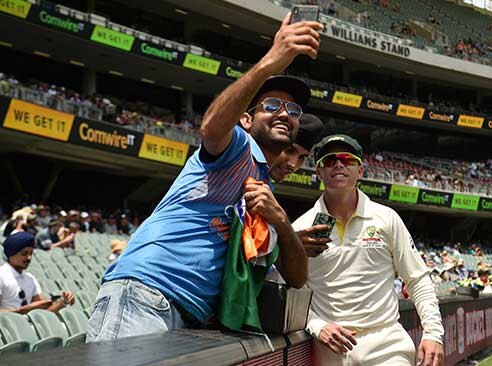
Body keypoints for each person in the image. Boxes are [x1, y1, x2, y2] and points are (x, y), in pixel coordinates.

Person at [86, 13, 323, 343]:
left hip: (191, 315)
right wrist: (270, 62)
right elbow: (211, 128)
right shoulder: (238, 147)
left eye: (294, 111)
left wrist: (283, 224)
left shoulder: (264, 189)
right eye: (271, 105)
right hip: (147, 293)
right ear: (245, 119)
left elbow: (296, 279)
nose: (285, 113)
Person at [293, 134, 445, 366]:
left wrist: (433, 333)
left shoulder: (386, 219)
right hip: (330, 349)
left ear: (360, 171)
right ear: (319, 172)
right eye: (329, 160)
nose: (338, 164)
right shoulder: (301, 228)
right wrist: (318, 326)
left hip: (385, 343)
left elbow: (417, 279)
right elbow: (294, 295)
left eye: (347, 158)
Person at [0, 232, 75, 313]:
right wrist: (21, 311)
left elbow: (46, 312)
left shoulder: (29, 278)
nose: (29, 258)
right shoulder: (2, 275)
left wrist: (64, 302)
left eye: (31, 253)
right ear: (11, 254)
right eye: (24, 254)